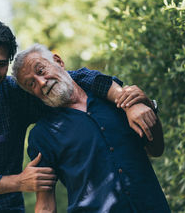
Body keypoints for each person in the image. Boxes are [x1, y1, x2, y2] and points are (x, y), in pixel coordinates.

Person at [0, 17, 156, 212]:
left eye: (1, 64)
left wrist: (125, 99)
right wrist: (19, 182)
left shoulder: (14, 93)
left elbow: (70, 81)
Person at [12, 44, 170, 213]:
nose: (42, 82)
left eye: (41, 70)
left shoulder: (115, 98)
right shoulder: (42, 135)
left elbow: (156, 149)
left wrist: (147, 107)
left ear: (58, 61)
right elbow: (45, 205)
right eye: (31, 84)